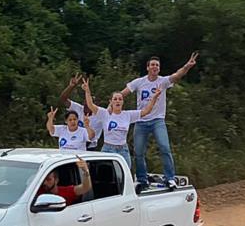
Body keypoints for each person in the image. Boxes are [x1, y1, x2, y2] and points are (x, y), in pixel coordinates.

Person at [121, 52, 199, 190]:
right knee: (138, 152)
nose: (154, 67)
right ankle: (142, 179)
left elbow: (177, 75)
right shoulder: (139, 82)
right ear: (147, 67)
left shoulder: (162, 81)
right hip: (141, 120)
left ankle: (170, 178)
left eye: (157, 65)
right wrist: (111, 106)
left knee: (164, 147)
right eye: (152, 65)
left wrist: (187, 66)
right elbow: (123, 94)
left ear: (159, 68)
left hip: (158, 120)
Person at [82, 77, 162, 172]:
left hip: (123, 150)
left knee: (125, 174)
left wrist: (155, 97)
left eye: (120, 99)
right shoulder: (105, 114)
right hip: (108, 149)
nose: (117, 101)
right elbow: (90, 105)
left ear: (122, 102)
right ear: (111, 102)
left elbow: (146, 111)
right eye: (115, 99)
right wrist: (87, 91)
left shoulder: (127, 115)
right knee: (106, 174)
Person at [59, 74, 104, 150]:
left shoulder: (100, 115)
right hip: (72, 144)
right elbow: (63, 99)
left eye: (90, 102)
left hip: (90, 148)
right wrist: (71, 86)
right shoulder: (79, 108)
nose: (87, 104)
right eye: (85, 101)